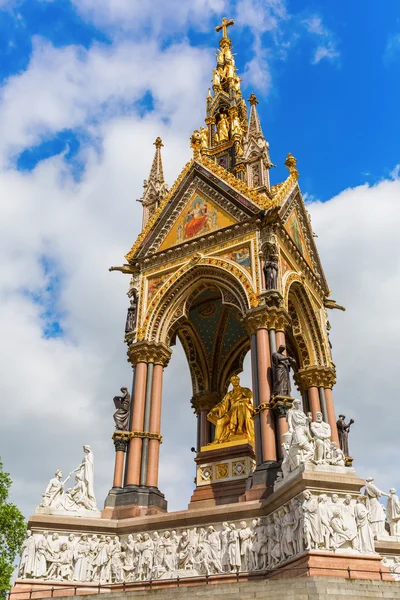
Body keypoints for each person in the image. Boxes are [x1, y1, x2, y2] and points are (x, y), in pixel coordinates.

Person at [207, 375, 254, 444]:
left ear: (239, 380)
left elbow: (251, 400)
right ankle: (217, 440)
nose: (235, 381)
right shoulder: (229, 394)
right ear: (231, 382)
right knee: (220, 421)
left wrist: (241, 402)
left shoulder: (245, 390)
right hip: (231, 412)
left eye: (237, 380)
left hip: (242, 409)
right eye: (233, 380)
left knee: (240, 405)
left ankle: (240, 429)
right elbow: (222, 404)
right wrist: (212, 411)